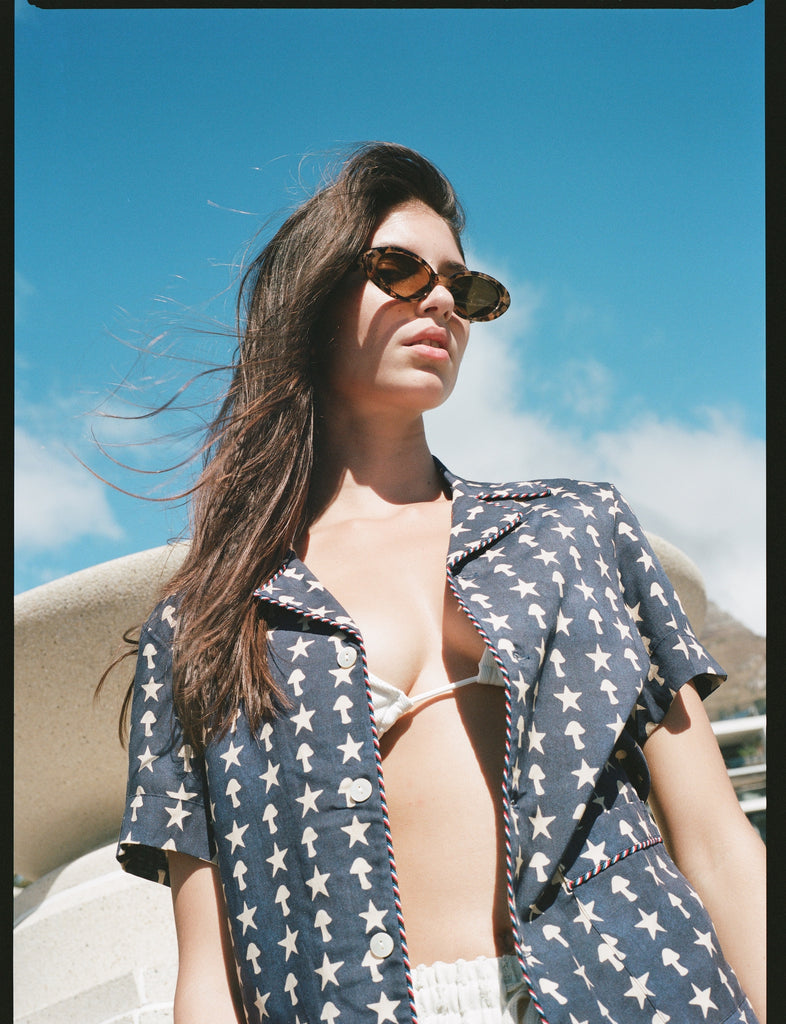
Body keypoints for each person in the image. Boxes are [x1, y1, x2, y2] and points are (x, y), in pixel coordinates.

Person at [114, 142, 766, 1024]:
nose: (443, 303)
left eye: (467, 289)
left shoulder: (575, 530)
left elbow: (719, 844)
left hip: (635, 991)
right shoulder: (206, 625)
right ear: (310, 296)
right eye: (398, 269)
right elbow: (211, 973)